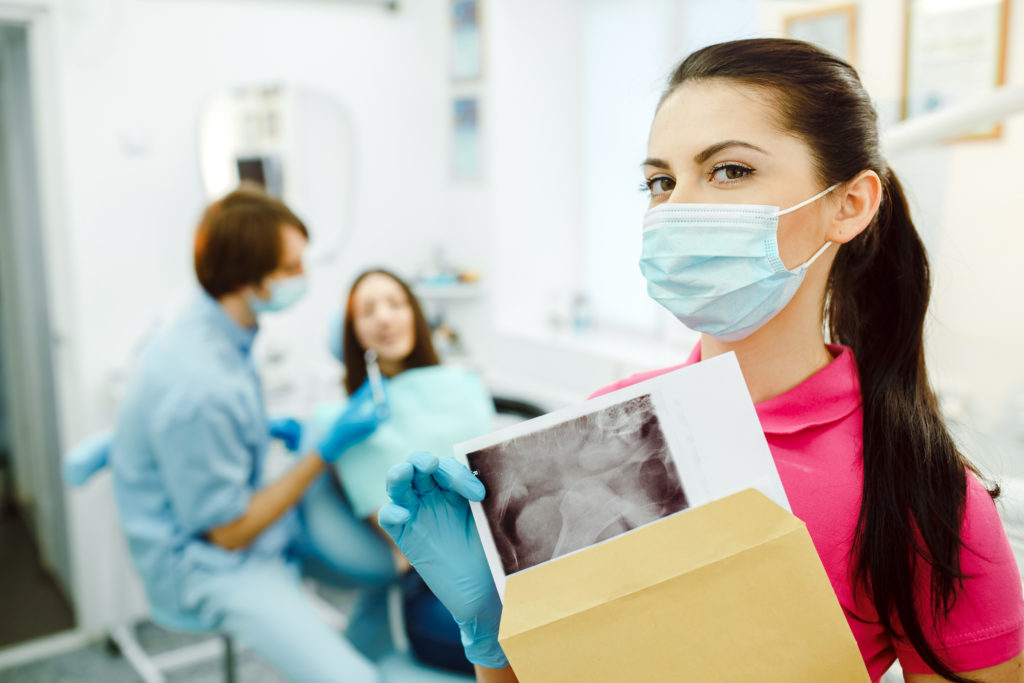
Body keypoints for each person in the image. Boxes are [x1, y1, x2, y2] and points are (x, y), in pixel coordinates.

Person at [377, 39, 1024, 683]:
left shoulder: (925, 490)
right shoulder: (600, 430)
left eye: (730, 170)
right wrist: (494, 636)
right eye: (661, 181)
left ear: (848, 203)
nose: (677, 207)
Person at [111, 186, 388, 682]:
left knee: (386, 567)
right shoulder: (199, 383)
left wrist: (259, 429)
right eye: (290, 269)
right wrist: (321, 453)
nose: (304, 278)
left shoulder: (214, 326)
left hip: (245, 525)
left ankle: (373, 654)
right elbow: (230, 532)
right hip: (208, 562)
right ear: (245, 279)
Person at [293, 268, 494, 673]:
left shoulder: (463, 386)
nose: (385, 318)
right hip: (433, 587)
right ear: (353, 332)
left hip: (503, 561)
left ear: (415, 314)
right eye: (368, 310)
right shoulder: (349, 424)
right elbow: (399, 535)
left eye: (396, 304)